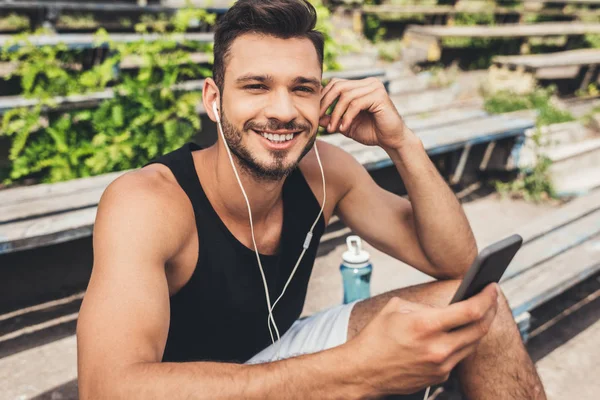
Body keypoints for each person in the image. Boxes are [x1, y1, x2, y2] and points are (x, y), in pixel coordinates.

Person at [76, 0, 546, 398]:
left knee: (478, 309)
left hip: (279, 360)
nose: (282, 111)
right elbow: (107, 388)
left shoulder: (325, 170)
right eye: (256, 86)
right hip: (189, 390)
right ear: (215, 99)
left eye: (302, 88)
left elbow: (456, 263)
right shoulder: (147, 202)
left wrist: (402, 142)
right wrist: (353, 369)